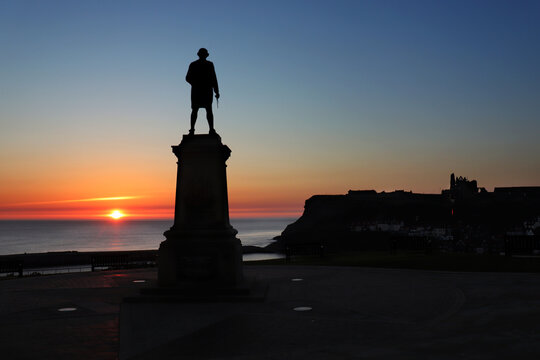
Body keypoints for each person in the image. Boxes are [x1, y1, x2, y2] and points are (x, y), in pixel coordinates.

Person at [186, 48, 220, 135]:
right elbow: (188, 78)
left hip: (205, 90)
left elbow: (214, 78)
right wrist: (196, 83)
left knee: (208, 110)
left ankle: (211, 129)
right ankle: (192, 129)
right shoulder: (194, 64)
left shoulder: (209, 64)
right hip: (199, 90)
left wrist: (216, 91)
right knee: (196, 110)